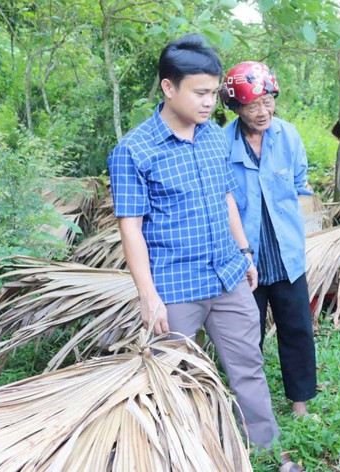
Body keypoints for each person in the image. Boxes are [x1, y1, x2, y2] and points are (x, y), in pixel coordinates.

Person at [106, 34, 283, 455]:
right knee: (173, 376)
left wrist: (243, 252)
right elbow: (130, 228)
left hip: (227, 273)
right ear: (169, 87)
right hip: (174, 286)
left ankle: (265, 448)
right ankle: (184, 453)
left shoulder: (212, 137)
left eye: (213, 93)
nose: (209, 102)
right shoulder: (133, 150)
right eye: (200, 93)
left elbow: (226, 198)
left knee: (248, 366)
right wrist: (149, 297)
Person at [219, 61, 318, 416]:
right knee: (248, 334)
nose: (262, 112)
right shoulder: (220, 143)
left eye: (268, 102)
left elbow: (300, 183)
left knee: (297, 329)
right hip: (246, 257)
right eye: (251, 106)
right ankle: (248, 405)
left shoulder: (288, 135)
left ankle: (300, 402)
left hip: (286, 251)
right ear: (235, 107)